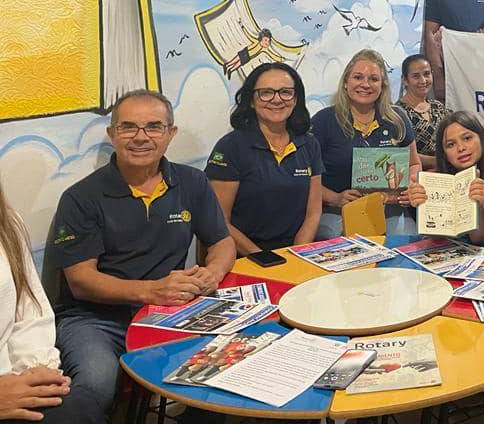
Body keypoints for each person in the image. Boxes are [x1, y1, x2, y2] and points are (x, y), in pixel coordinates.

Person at [52, 91, 234, 424]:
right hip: (96, 318)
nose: (141, 137)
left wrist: (213, 273)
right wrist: (151, 290)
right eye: (128, 127)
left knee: (225, 363)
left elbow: (222, 242)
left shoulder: (192, 181)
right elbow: (81, 281)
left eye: (153, 126)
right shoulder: (80, 197)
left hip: (170, 311)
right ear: (112, 134)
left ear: (170, 133)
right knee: (95, 383)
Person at [206, 63, 323, 253]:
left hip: (296, 251)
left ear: (295, 99)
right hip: (244, 253)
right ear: (251, 101)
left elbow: (314, 212)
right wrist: (263, 258)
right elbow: (220, 221)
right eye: (266, 93)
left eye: (285, 92)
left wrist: (297, 254)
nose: (277, 99)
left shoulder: (309, 144)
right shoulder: (230, 147)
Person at [310, 50, 421, 239]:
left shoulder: (397, 119)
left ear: (382, 85)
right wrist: (334, 198)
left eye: (373, 79)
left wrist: (411, 183)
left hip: (390, 207)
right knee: (342, 246)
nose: (365, 84)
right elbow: (305, 177)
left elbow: (414, 163)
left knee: (406, 243)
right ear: (346, 82)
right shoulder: (323, 121)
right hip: (338, 209)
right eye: (358, 77)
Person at [0, 181, 84, 423]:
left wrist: (36, 369)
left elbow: (28, 311)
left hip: (12, 378)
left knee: (80, 407)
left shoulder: (8, 226)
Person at [408, 112, 484, 248]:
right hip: (458, 251)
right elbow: (438, 236)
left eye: (467, 138)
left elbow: (479, 238)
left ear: (482, 139)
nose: (461, 148)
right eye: (451, 144)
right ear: (444, 153)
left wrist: (477, 205)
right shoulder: (440, 180)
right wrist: (421, 206)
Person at [394, 54, 451, 171]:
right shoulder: (397, 113)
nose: (423, 80)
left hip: (446, 171)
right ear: (405, 80)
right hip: (415, 176)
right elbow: (399, 154)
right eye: (416, 76)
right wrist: (439, 161)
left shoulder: (438, 107)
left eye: (426, 74)